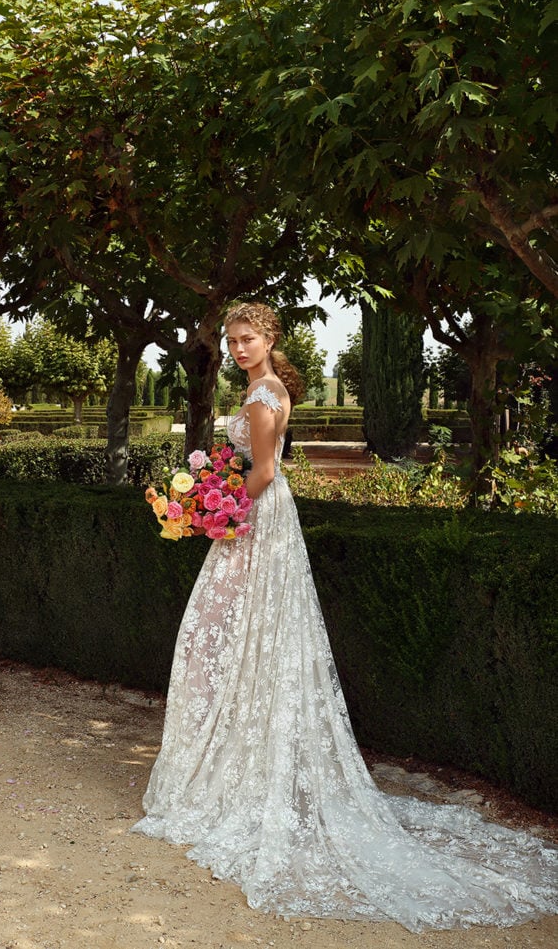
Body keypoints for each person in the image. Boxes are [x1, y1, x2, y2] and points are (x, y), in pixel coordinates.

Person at [132, 302, 557, 932]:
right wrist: (215, 497)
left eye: (247, 338)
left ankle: (231, 775)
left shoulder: (262, 394)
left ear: (270, 338)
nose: (238, 346)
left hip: (256, 521)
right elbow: (258, 468)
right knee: (242, 638)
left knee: (210, 637)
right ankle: (236, 766)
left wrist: (204, 509)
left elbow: (266, 472)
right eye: (231, 338)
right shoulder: (260, 388)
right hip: (262, 522)